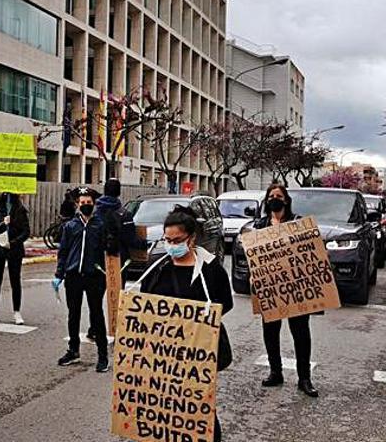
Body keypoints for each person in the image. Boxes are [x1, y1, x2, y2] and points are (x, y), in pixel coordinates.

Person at [138, 205, 233, 442]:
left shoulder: (211, 271)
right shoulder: (157, 269)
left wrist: (195, 323)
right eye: (167, 240)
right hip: (162, 354)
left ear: (191, 238)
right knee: (165, 407)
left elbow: (225, 304)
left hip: (198, 353)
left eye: (177, 240)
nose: (172, 245)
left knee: (199, 407)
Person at [255, 183, 319, 398]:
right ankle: (276, 372)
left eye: (279, 195)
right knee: (270, 332)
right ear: (266, 200)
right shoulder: (260, 226)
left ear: (286, 200)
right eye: (271, 195)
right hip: (270, 288)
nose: (275, 198)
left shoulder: (297, 224)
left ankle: (304, 378)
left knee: (301, 333)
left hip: (295, 287)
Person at [52, 188, 109, 372]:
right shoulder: (70, 226)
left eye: (88, 203)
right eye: (82, 203)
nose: (85, 206)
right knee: (73, 314)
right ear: (77, 205)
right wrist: (59, 274)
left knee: (96, 315)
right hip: (74, 276)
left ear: (94, 204)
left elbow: (109, 249)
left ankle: (103, 356)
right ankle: (73, 350)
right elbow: (63, 252)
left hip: (94, 277)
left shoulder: (100, 225)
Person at [85, 178, 146, 341]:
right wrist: (144, 244)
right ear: (119, 192)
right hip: (119, 260)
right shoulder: (124, 214)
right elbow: (131, 239)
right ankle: (116, 326)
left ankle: (94, 328)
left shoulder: (93, 212)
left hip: (98, 260)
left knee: (96, 297)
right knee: (117, 296)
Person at [0, 193, 30, 325]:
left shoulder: (20, 209)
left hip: (14, 250)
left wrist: (13, 243)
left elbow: (26, 231)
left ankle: (16, 312)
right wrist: (3, 223)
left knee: (15, 281)